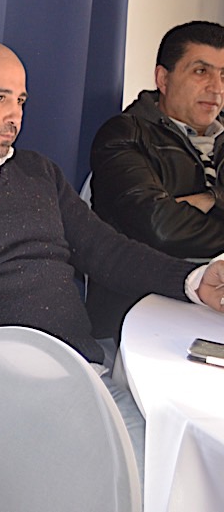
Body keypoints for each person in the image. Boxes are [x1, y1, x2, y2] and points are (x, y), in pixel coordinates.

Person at [0, 39, 224, 476]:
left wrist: (193, 280)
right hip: (2, 399)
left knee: (178, 465)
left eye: (20, 100)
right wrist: (6, 381)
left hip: (85, 374)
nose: (15, 115)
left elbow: (108, 252)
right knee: (146, 479)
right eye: (0, 97)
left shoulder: (38, 172)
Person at [89, 21, 224, 336]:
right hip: (147, 309)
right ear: (163, 78)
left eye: (223, 75)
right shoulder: (125, 135)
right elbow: (162, 228)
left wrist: (210, 200)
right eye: (201, 71)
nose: (216, 88)